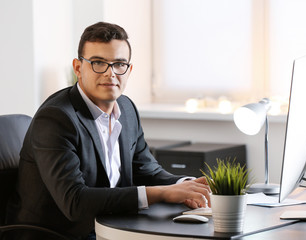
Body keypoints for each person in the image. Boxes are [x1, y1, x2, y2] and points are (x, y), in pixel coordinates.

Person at [7, 22, 210, 239]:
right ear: (78, 68)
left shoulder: (127, 109)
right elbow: (74, 201)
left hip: (109, 228)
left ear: (129, 70)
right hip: (55, 234)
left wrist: (187, 185)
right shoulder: (56, 118)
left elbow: (146, 170)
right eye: (98, 63)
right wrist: (161, 193)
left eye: (119, 64)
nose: (110, 73)